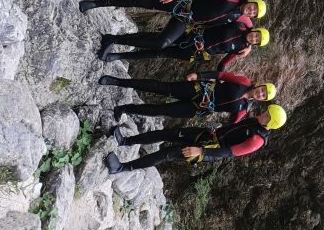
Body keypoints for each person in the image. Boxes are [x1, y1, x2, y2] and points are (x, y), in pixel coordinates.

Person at [78, 0, 267, 59]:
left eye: (254, 13)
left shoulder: (240, 17)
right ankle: (97, 3)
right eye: (253, 7)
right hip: (185, 4)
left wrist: (249, 47)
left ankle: (112, 39)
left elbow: (251, 31)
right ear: (250, 1)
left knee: (162, 43)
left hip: (187, 20)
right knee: (145, 2)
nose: (250, 10)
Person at [104, 105, 287, 174]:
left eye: (267, 116)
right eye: (266, 112)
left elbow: (229, 152)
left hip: (208, 149)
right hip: (208, 134)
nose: (263, 114)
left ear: (271, 123)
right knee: (167, 133)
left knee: (167, 153)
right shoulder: (256, 122)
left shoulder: (257, 140)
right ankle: (125, 141)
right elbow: (235, 126)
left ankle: (121, 168)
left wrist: (202, 152)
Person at [98, 70, 276, 120]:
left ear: (262, 100)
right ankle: (117, 81)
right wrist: (199, 75)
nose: (260, 94)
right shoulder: (243, 81)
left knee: (162, 110)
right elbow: (221, 75)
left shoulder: (244, 109)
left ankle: (124, 109)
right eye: (262, 90)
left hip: (198, 108)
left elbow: (232, 124)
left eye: (263, 96)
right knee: (161, 87)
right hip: (199, 89)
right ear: (260, 85)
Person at [99, 22, 270, 65]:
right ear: (255, 30)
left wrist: (221, 72)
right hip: (195, 35)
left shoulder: (242, 48)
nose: (254, 38)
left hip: (197, 53)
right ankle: (115, 39)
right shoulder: (240, 25)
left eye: (256, 41)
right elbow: (218, 20)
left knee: (160, 54)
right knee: (158, 40)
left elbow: (226, 60)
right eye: (256, 35)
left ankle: (119, 56)